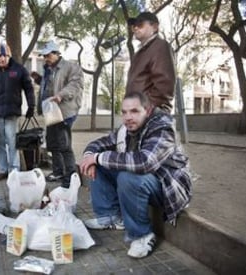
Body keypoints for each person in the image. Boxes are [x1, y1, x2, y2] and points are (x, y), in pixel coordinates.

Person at [79, 91, 191, 258]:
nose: (128, 117)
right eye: (124, 112)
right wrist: (90, 156)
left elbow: (145, 162)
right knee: (99, 162)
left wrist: (99, 157)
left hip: (168, 185)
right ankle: (110, 217)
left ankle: (143, 235)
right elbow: (101, 143)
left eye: (134, 111)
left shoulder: (162, 127)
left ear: (148, 110)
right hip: (145, 180)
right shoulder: (126, 129)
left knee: (127, 175)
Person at [0, 43, 35, 181]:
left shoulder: (19, 70)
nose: (2, 58)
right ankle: (3, 169)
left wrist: (31, 106)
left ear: (9, 56)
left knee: (12, 141)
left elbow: (29, 88)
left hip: (12, 113)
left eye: (5, 56)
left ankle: (14, 170)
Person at [30, 40, 84, 187]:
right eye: (44, 56)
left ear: (56, 53)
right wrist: (39, 79)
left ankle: (71, 176)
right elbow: (50, 86)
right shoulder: (49, 69)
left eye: (48, 55)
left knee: (64, 144)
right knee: (52, 143)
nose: (46, 58)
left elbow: (75, 85)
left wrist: (61, 95)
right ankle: (58, 172)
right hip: (51, 111)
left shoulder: (71, 67)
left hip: (64, 112)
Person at [125, 12, 176, 113]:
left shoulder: (160, 46)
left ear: (155, 27)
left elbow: (164, 85)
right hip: (139, 114)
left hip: (151, 114)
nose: (135, 28)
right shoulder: (141, 52)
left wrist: (145, 108)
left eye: (140, 24)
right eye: (134, 26)